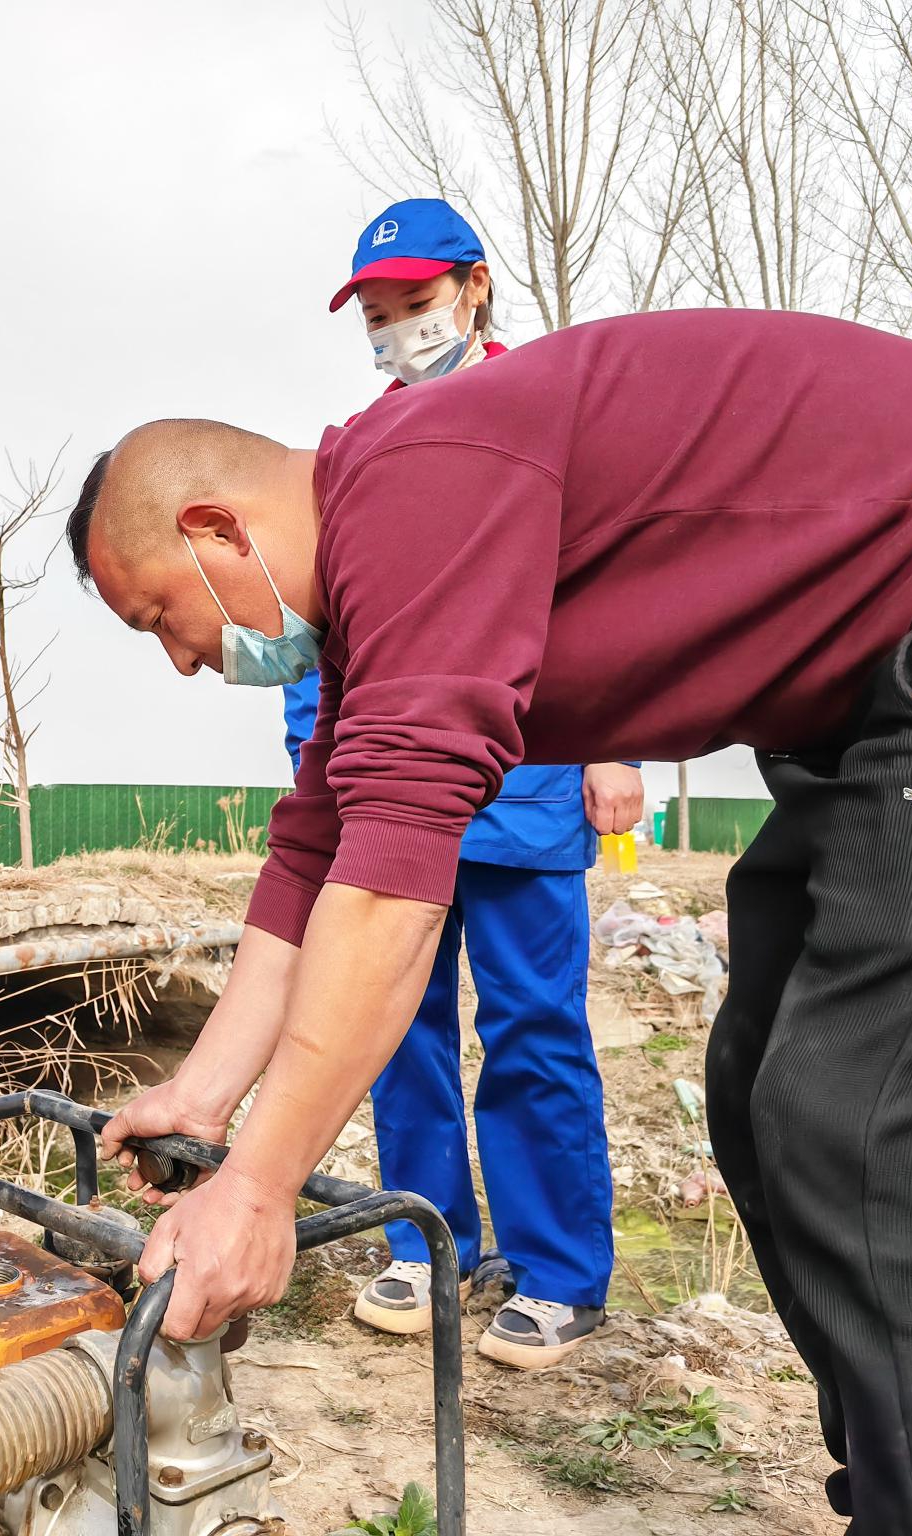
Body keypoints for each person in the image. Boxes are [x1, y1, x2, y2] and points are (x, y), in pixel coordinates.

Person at [67, 306, 912, 1530]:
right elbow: (315, 859)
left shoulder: (415, 482)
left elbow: (389, 896)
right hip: (867, 703)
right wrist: (202, 1099)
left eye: (158, 618)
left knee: (867, 1117)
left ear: (215, 532)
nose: (183, 662)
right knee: (754, 1083)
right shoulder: (374, 597)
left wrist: (258, 1188)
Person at [277, 200, 642, 1367]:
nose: (395, 335)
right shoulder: (355, 451)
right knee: (394, 1026)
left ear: (474, 288)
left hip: (526, 784)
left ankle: (556, 1270)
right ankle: (426, 1241)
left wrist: (616, 744)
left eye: (414, 308)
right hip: (392, 802)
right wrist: (315, 770)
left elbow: (614, 599)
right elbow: (323, 632)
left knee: (534, 1027)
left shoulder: (553, 416)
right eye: (376, 319)